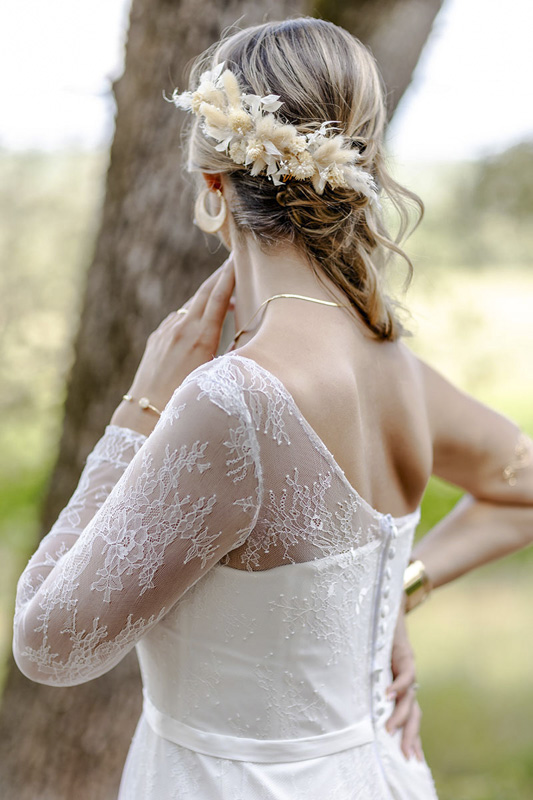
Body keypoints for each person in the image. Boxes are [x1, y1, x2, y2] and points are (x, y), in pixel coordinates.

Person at [12, 16, 533, 800]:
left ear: (213, 185)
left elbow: (50, 646)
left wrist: (139, 408)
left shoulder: (233, 400)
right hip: (379, 773)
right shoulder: (394, 367)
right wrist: (393, 593)